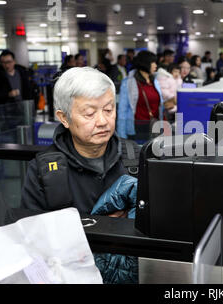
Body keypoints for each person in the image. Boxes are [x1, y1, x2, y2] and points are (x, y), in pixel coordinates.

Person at [20, 67, 140, 283]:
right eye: (89, 113)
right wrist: (98, 225)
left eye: (109, 109)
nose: (102, 121)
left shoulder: (133, 156)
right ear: (63, 118)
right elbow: (32, 243)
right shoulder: (43, 171)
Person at [117, 50, 164, 140]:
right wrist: (121, 136)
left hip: (155, 126)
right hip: (138, 128)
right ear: (145, 63)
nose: (155, 65)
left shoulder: (155, 81)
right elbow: (122, 111)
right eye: (153, 62)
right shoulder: (129, 83)